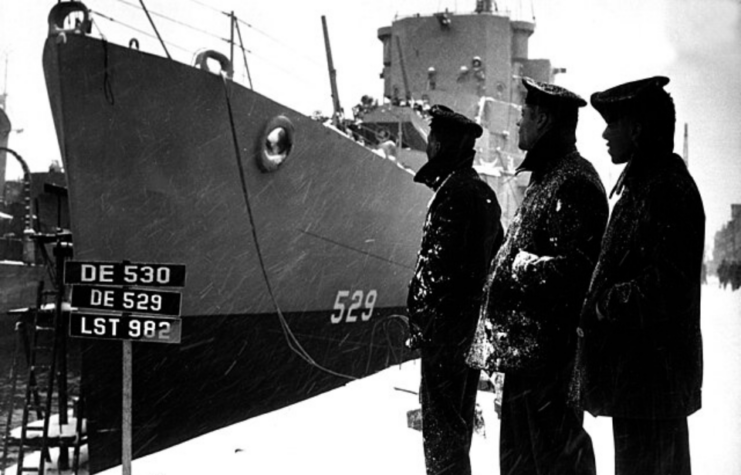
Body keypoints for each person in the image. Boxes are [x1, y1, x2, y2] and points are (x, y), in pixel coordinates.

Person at [572, 76, 705, 475]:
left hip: (651, 384)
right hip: (642, 383)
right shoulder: (646, 184)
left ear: (638, 128)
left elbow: (667, 286)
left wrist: (601, 304)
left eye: (613, 123)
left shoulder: (664, 188)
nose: (605, 133)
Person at [474, 77, 607, 475]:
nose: (518, 124)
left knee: (557, 461)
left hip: (549, 365)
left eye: (525, 115)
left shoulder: (574, 182)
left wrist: (521, 267)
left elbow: (580, 272)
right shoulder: (548, 179)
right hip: (526, 361)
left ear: (544, 120)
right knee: (522, 464)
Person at [407, 104, 504, 475]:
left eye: (433, 139)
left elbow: (438, 272)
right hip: (465, 337)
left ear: (442, 146)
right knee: (455, 430)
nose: (428, 146)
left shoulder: (454, 194)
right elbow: (495, 260)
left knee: (442, 432)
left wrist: (428, 323)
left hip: (446, 340)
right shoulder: (481, 194)